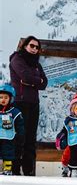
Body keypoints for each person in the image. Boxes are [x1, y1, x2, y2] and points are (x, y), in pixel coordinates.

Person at [9, 36, 48, 176]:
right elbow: (25, 77)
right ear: (25, 46)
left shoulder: (36, 64)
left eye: (37, 47)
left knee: (31, 138)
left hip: (34, 104)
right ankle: (15, 170)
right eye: (32, 46)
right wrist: (35, 80)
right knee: (20, 137)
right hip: (20, 102)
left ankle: (28, 170)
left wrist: (33, 81)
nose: (34, 49)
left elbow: (44, 83)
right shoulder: (17, 59)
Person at [0, 84, 25, 175]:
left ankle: (7, 169)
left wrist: (20, 137)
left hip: (9, 138)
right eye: (1, 97)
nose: (3, 99)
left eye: (6, 97)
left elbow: (20, 126)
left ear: (11, 99)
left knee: (8, 154)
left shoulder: (15, 112)